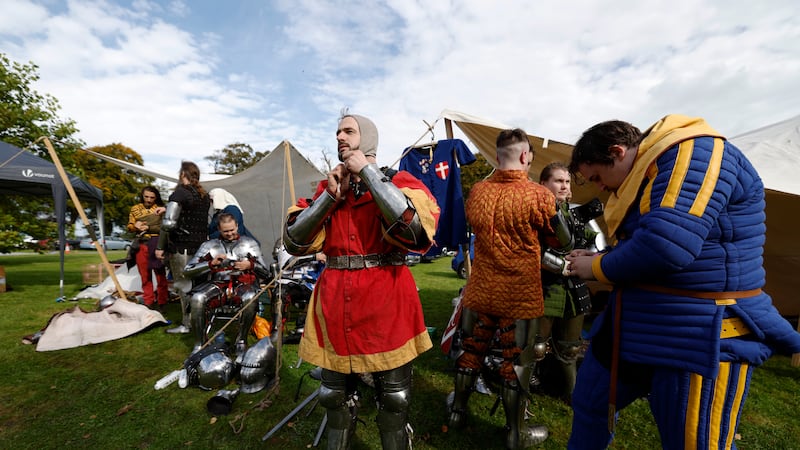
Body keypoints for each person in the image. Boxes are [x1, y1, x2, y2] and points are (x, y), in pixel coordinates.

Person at [564, 115, 800, 449]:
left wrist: (596, 267)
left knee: (696, 442)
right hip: (637, 320)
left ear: (617, 152)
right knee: (589, 404)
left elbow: (666, 246)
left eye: (598, 178)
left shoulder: (695, 151)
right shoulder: (648, 171)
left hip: (698, 329)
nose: (600, 188)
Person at [283, 112, 440, 449]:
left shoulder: (400, 181)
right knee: (332, 394)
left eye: (348, 131)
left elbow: (415, 232)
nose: (340, 136)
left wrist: (368, 174)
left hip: (386, 298)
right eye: (338, 131)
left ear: (367, 139)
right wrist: (330, 197)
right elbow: (294, 240)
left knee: (394, 399)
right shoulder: (327, 188)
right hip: (335, 300)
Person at [448, 128, 555, 449]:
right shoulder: (539, 195)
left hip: (481, 287)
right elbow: (558, 239)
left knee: (471, 351)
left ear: (496, 157)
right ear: (526, 157)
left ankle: (457, 412)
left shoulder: (478, 192)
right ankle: (514, 432)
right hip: (518, 291)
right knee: (516, 361)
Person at [533, 162, 606, 402]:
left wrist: (586, 257)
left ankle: (572, 393)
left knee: (570, 348)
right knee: (535, 346)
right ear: (544, 184)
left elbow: (596, 243)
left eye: (566, 181)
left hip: (574, 289)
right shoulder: (534, 212)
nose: (564, 185)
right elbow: (531, 249)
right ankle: (526, 386)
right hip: (544, 287)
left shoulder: (577, 214)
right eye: (558, 181)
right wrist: (561, 264)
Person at [183, 213, 269, 354]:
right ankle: (200, 343)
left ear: (237, 226)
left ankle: (241, 340)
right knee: (198, 298)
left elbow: (266, 273)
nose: (229, 234)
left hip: (242, 284)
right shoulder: (209, 245)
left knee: (250, 297)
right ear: (219, 229)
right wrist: (210, 263)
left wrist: (250, 265)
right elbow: (187, 270)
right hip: (217, 284)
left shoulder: (249, 244)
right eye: (225, 231)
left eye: (232, 230)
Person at [156, 161, 211, 335]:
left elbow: (169, 224)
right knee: (199, 287)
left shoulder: (180, 193)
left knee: (183, 286)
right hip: (201, 249)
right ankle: (202, 321)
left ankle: (187, 325)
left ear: (182, 175)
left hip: (182, 248)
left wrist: (160, 246)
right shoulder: (204, 196)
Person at [126, 186, 168, 310]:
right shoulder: (135, 209)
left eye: (152, 197)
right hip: (142, 244)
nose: (149, 200)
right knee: (145, 275)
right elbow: (129, 226)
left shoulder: (160, 209)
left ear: (156, 197)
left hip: (157, 244)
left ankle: (162, 302)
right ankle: (148, 301)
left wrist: (148, 226)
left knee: (160, 275)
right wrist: (135, 226)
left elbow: (163, 227)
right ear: (142, 196)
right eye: (146, 197)